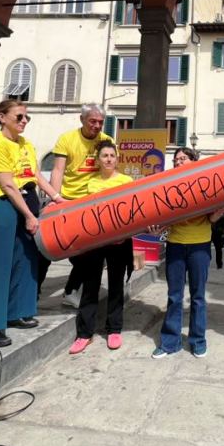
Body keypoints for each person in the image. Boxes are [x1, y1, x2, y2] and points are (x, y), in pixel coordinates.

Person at [0, 100, 63, 348]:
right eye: (19, 116)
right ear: (2, 117)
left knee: (27, 259)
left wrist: (56, 197)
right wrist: (29, 216)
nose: (24, 121)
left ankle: (18, 311)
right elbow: (7, 183)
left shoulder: (25, 144)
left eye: (26, 118)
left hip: (27, 199)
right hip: (0, 202)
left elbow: (33, 174)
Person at [148, 147, 224, 359]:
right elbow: (164, 219)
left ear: (194, 161)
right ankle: (169, 342)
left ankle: (198, 341)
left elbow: (211, 219)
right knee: (174, 296)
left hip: (200, 246)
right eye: (176, 160)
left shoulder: (205, 185)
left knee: (198, 296)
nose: (178, 162)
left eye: (183, 159)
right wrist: (158, 230)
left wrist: (219, 212)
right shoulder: (169, 186)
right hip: (175, 245)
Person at [69, 140, 134, 354]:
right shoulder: (90, 182)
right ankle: (84, 334)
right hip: (95, 243)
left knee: (116, 286)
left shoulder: (127, 180)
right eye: (104, 155)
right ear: (98, 160)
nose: (108, 159)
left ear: (117, 159)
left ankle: (114, 329)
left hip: (120, 241)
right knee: (90, 287)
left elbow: (131, 213)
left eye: (112, 156)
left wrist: (122, 235)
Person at [49, 103, 114, 308]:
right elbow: (58, 170)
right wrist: (54, 198)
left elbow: (110, 170)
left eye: (100, 122)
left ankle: (70, 290)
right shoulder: (67, 139)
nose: (96, 126)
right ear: (82, 120)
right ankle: (32, 294)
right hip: (67, 201)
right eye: (92, 121)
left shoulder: (107, 141)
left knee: (93, 253)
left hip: (93, 204)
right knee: (51, 250)